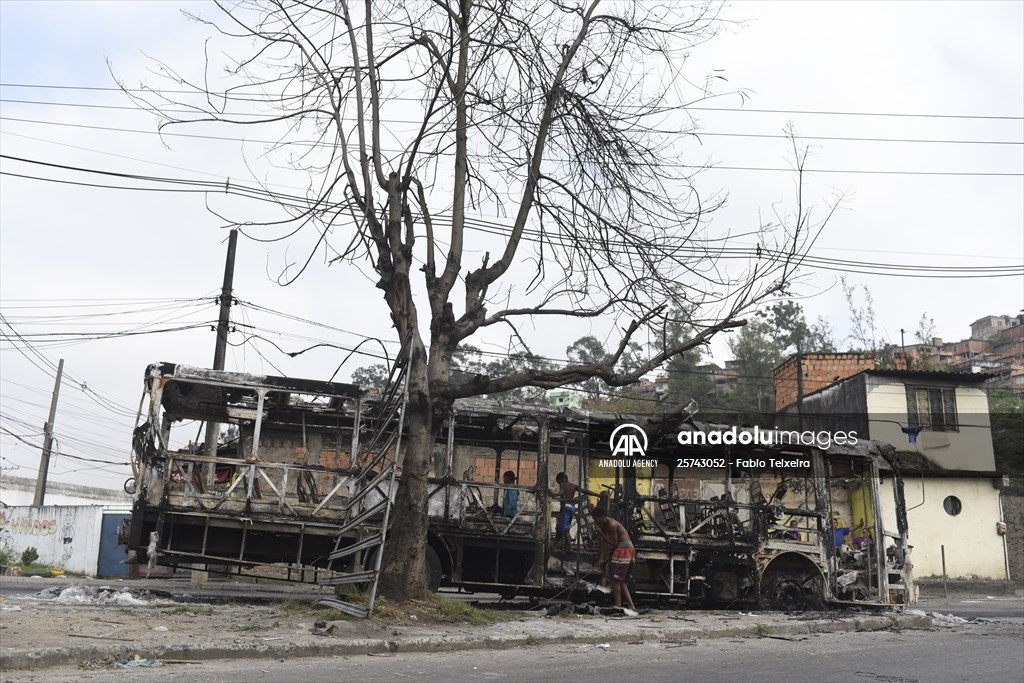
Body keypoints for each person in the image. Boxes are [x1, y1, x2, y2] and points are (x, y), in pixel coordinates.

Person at [591, 505, 638, 616]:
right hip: (624, 549)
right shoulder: (603, 524)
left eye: (596, 519)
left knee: (615, 579)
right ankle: (631, 606)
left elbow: (615, 544)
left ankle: (618, 606)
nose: (595, 521)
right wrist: (601, 558)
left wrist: (601, 534)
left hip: (624, 549)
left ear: (602, 517)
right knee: (620, 580)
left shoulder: (611, 525)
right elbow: (605, 543)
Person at [550, 472, 597, 553]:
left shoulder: (563, 484)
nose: (559, 484)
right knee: (560, 528)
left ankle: (570, 548)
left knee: (564, 529)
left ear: (561, 480)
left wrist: (553, 494)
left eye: (559, 482)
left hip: (565, 508)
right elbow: (585, 491)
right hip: (572, 508)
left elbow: (561, 492)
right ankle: (554, 546)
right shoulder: (574, 486)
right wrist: (597, 495)